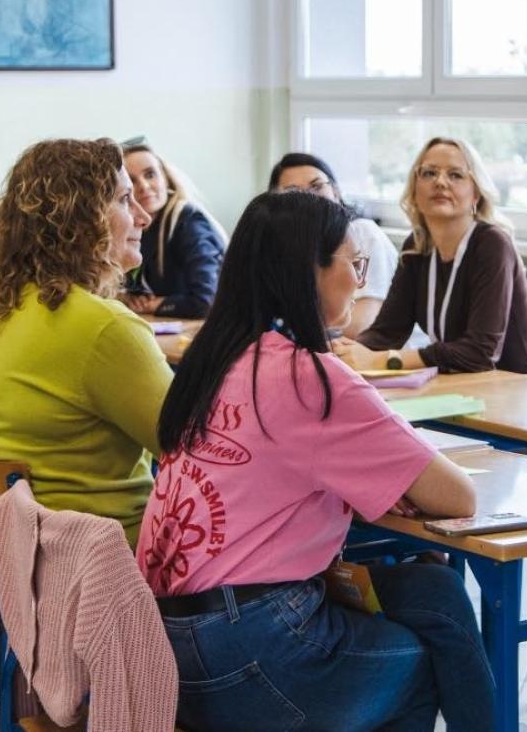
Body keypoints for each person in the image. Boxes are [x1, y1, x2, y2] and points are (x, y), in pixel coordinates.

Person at [139, 190, 492, 731]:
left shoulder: (213, 360)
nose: (359, 280)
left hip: (166, 647)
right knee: (423, 662)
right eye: (354, 264)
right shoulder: (312, 378)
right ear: (309, 271)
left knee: (434, 590)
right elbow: (458, 496)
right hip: (251, 649)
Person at [0, 138, 172, 659]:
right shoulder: (102, 328)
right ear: (78, 220)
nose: (140, 212)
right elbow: (194, 448)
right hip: (69, 592)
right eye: (121, 199)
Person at [335, 137, 527, 375]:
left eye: (455, 175)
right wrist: (345, 352)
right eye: (429, 174)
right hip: (458, 387)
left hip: (519, 388)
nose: (440, 182)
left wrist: (385, 360)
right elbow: (387, 332)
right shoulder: (416, 247)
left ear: (476, 194)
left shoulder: (492, 245)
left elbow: (480, 354)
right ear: (415, 189)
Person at [268, 151, 398, 336]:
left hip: (373, 355)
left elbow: (360, 327)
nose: (310, 198)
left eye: (317, 186)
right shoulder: (280, 244)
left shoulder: (362, 234)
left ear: (336, 191)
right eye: (294, 192)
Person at [120, 140, 227, 319]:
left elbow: (205, 301)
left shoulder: (189, 221)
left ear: (166, 178)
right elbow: (136, 286)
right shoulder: (141, 228)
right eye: (132, 180)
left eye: (150, 174)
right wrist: (128, 298)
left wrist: (154, 305)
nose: (144, 187)